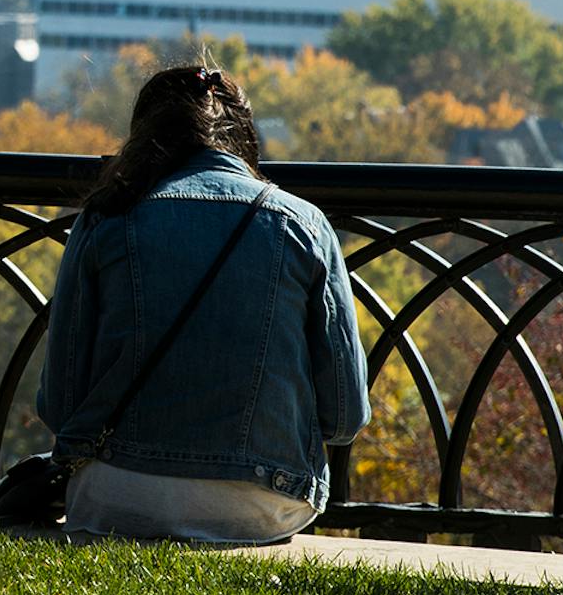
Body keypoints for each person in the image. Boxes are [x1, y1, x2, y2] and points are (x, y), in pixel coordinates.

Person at [36, 64, 371, 543]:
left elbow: (62, 403)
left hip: (118, 493)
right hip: (265, 499)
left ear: (143, 136)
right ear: (245, 136)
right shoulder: (304, 225)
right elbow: (344, 418)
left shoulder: (105, 220)